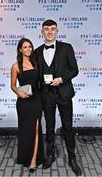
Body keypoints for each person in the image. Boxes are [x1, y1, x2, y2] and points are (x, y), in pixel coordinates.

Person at [35, 19, 82, 176]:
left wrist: (61, 79)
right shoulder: (37, 51)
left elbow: (74, 70)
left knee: (68, 127)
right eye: (46, 29)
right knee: (49, 127)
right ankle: (50, 155)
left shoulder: (66, 48)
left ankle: (72, 158)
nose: (49, 31)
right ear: (42, 31)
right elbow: (36, 74)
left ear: (57, 31)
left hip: (64, 93)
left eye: (52, 29)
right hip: (46, 95)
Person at [11, 38, 44, 173]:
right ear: (20, 49)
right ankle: (25, 156)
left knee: (36, 129)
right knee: (26, 131)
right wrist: (18, 92)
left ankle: (33, 160)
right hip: (23, 102)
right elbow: (12, 85)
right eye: (25, 47)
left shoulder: (36, 63)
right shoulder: (15, 66)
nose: (28, 49)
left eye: (30, 46)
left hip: (36, 100)